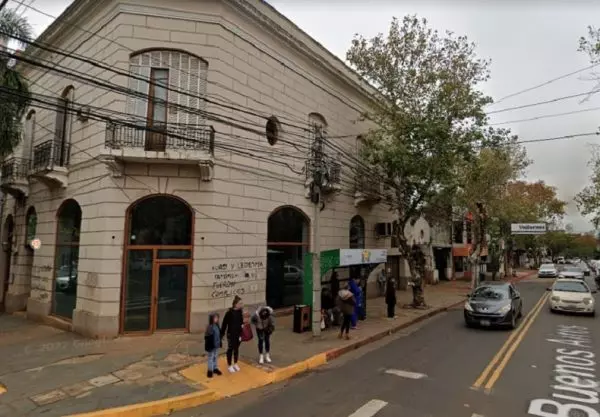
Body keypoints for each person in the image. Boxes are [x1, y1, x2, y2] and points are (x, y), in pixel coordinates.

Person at [221, 295, 244, 373]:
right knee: (230, 349)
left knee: (236, 349)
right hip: (231, 334)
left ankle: (235, 363)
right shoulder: (229, 313)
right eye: (240, 303)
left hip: (238, 334)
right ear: (235, 304)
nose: (241, 305)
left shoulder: (240, 312)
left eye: (242, 303)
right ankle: (229, 365)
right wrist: (221, 334)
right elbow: (224, 324)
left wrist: (241, 332)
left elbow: (241, 322)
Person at [204, 313, 222, 378]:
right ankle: (210, 371)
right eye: (215, 318)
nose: (216, 319)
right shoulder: (210, 327)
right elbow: (207, 337)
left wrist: (219, 342)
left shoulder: (217, 326)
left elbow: (219, 335)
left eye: (217, 318)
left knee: (215, 357)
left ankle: (215, 368)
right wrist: (209, 346)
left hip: (216, 345)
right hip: (211, 346)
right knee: (210, 358)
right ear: (211, 319)